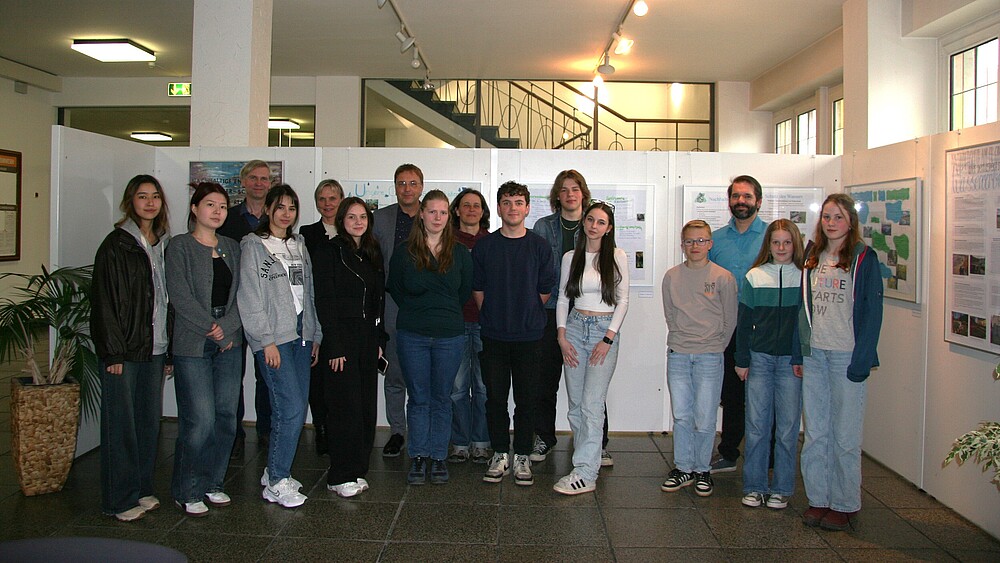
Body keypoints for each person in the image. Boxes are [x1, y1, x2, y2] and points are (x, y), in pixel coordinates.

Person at [793, 193, 883, 531]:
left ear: (850, 223)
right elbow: (802, 310)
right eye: (827, 217)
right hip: (815, 354)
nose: (831, 223)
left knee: (845, 435)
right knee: (816, 433)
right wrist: (798, 352)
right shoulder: (812, 257)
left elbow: (873, 313)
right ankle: (820, 499)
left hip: (847, 355)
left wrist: (863, 359)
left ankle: (845, 503)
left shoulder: (863, 258)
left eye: (838, 217)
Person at [91, 174, 171, 522]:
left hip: (154, 347)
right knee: (120, 426)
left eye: (155, 196)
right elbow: (105, 303)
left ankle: (141, 487)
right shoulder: (116, 245)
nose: (150, 202)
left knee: (146, 423)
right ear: (130, 201)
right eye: (142, 196)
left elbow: (164, 300)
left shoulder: (160, 243)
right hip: (124, 351)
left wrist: (166, 351)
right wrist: (112, 353)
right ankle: (118, 499)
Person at [237, 184, 322, 508]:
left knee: (296, 410)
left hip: (301, 335)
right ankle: (276, 480)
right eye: (281, 207)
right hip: (274, 338)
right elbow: (249, 298)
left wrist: (314, 335)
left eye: (292, 208)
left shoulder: (298, 244)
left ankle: (274, 470)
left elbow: (308, 294)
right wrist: (265, 341)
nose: (286, 214)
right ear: (268, 210)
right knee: (289, 410)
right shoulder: (254, 246)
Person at [166, 182, 243, 516]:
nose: (217, 211)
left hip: (229, 340)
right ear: (195, 208)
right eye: (210, 205)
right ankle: (188, 489)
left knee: (226, 417)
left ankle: (214, 482)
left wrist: (226, 328)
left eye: (223, 207)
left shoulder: (232, 247)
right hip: (193, 340)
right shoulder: (179, 246)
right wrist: (211, 329)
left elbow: (243, 292)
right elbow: (179, 296)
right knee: (200, 419)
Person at [472, 181, 556, 486]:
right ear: (498, 208)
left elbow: (545, 291)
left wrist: (525, 313)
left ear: (528, 208)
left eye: (518, 202)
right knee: (494, 398)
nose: (513, 208)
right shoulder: (485, 246)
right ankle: (499, 453)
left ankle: (521, 454)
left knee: (527, 399)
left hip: (530, 337)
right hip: (494, 336)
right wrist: (497, 315)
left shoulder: (539, 246)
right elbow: (478, 290)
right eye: (507, 202)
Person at [388, 190, 472, 485]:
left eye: (443, 213)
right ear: (421, 214)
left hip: (449, 335)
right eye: (432, 212)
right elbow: (396, 288)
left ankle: (438, 456)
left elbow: (463, 292)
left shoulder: (459, 253)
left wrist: (440, 310)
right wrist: (420, 309)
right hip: (413, 334)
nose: (437, 218)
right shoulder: (404, 252)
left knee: (442, 398)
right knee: (419, 398)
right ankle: (419, 456)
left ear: (450, 217)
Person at [532, 170, 611, 467]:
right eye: (563, 190)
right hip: (549, 311)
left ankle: (597, 443)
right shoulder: (543, 226)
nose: (569, 194)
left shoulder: (593, 226)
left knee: (593, 386)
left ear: (583, 193)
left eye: (575, 189)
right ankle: (544, 437)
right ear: (557, 195)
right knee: (545, 380)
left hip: (587, 315)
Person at [553, 201, 629, 495]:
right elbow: (562, 298)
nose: (594, 225)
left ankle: (585, 471)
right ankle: (588, 459)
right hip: (573, 328)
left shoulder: (617, 256)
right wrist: (561, 337)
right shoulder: (571, 257)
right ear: (584, 222)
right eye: (590, 220)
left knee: (592, 405)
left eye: (601, 222)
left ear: (609, 228)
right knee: (575, 406)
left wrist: (608, 338)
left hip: (603, 331)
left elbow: (623, 300)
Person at [312, 197, 385, 498]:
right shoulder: (328, 252)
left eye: (363, 217)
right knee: (345, 408)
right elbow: (325, 301)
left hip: (368, 338)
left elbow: (377, 300)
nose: (358, 222)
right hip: (341, 339)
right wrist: (335, 345)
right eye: (351, 217)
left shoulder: (370, 252)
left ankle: (357, 469)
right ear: (341, 220)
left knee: (366, 407)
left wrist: (380, 341)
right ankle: (339, 474)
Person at [660, 220, 737, 498]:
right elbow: (670, 314)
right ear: (682, 245)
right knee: (681, 415)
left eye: (701, 240)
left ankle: (702, 469)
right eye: (690, 241)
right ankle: (683, 468)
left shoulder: (723, 277)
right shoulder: (671, 276)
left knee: (704, 417)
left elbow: (730, 319)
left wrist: (714, 346)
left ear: (710, 243)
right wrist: (682, 339)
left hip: (709, 356)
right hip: (679, 353)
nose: (695, 246)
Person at [734, 219, 804, 511]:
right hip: (759, 358)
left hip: (790, 362)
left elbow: (806, 324)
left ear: (795, 244)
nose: (781, 248)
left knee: (787, 429)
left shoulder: (804, 277)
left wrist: (800, 358)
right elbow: (743, 321)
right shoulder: (754, 276)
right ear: (768, 245)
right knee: (757, 427)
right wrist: (741, 360)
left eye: (787, 242)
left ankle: (782, 488)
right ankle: (754, 486)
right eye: (776, 242)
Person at [707, 174, 767, 473]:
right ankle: (729, 452)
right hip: (727, 327)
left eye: (746, 196)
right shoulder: (715, 240)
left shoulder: (772, 237)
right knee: (731, 394)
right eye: (736, 196)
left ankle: (766, 457)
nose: (741, 201)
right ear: (729, 200)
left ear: (758, 200)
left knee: (765, 392)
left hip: (764, 327)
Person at [218, 160, 274, 457]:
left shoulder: (275, 217)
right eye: (253, 178)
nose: (258, 183)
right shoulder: (228, 219)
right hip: (234, 305)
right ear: (243, 182)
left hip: (267, 308)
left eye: (264, 179)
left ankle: (266, 430)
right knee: (233, 373)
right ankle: (234, 431)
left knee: (266, 374)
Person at [373, 163, 424, 457]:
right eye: (402, 183)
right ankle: (396, 432)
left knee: (420, 372)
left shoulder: (432, 215)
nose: (407, 188)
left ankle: (420, 430)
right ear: (395, 187)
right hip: (391, 303)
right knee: (394, 374)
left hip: (423, 303)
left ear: (421, 187)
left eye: (413, 183)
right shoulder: (380, 219)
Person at [300, 179, 345, 456]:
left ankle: (340, 428)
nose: (328, 204)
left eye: (333, 198)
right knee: (317, 378)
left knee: (340, 377)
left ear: (341, 199)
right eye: (322, 199)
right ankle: (321, 428)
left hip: (345, 316)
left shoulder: (353, 228)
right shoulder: (306, 233)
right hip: (316, 313)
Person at [447, 189, 492, 464]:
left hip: (487, 324)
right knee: (458, 388)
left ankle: (481, 442)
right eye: (466, 205)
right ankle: (460, 443)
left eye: (477, 205)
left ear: (483, 211)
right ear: (457, 210)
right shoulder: (446, 240)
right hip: (456, 323)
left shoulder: (492, 241)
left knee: (484, 388)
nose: (472, 210)